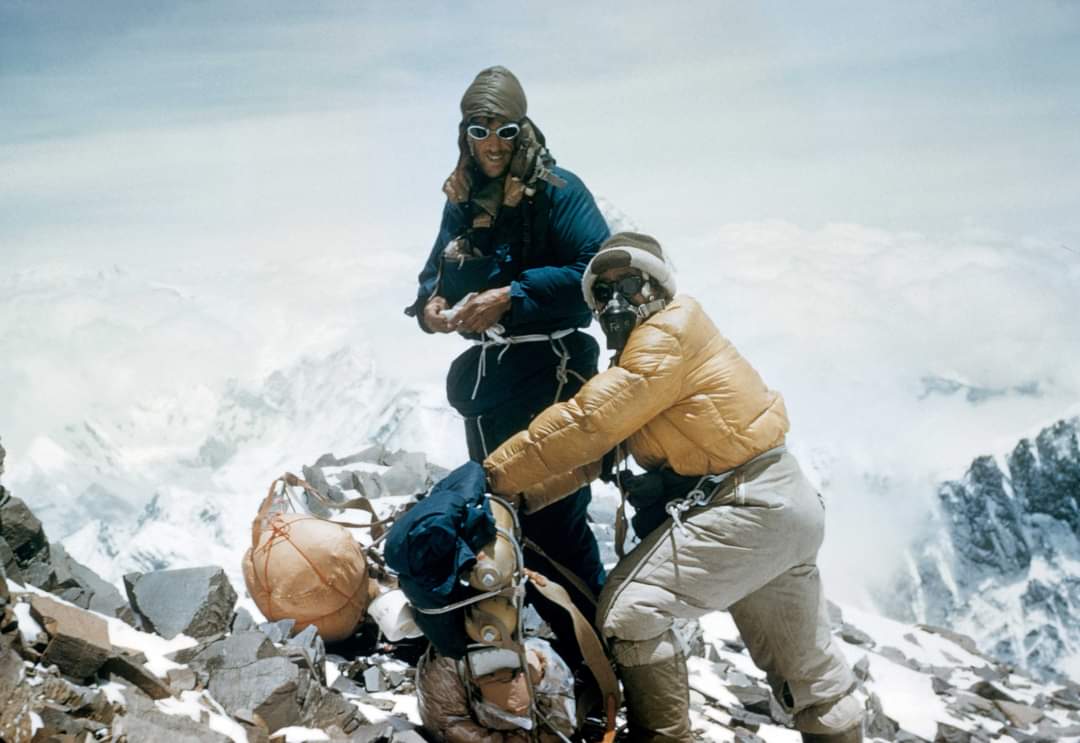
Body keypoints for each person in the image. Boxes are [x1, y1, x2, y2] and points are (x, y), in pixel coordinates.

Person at [484, 232, 863, 742]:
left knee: (629, 612)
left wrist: (488, 476)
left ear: (660, 288)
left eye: (633, 285)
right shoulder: (656, 353)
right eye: (605, 291)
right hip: (783, 507)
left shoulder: (666, 336)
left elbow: (587, 423)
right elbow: (596, 454)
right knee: (811, 678)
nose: (618, 301)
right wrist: (519, 495)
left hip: (747, 505)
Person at [405, 66, 610, 657]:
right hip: (491, 391)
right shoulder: (461, 197)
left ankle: (598, 665)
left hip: (552, 377)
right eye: (479, 130)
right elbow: (432, 281)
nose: (492, 143)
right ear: (464, 134)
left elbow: (596, 272)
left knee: (556, 521)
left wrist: (512, 296)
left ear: (524, 130)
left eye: (505, 129)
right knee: (503, 514)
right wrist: (433, 309)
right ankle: (549, 665)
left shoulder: (559, 192)